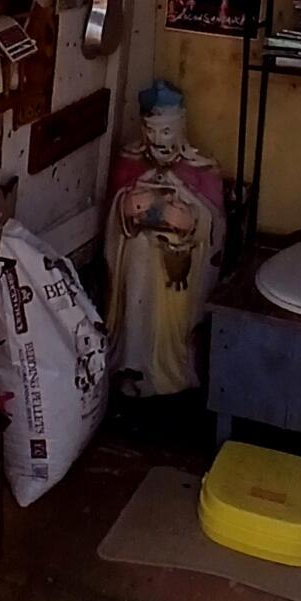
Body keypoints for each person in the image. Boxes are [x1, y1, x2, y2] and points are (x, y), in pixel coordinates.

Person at [103, 81, 225, 396]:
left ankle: (169, 372)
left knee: (159, 264)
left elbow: (215, 226)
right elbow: (113, 215)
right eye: (152, 131)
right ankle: (130, 365)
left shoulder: (202, 169)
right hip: (137, 257)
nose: (159, 140)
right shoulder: (130, 163)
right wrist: (126, 208)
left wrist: (190, 221)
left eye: (166, 132)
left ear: (181, 128)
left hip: (180, 263)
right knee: (140, 252)